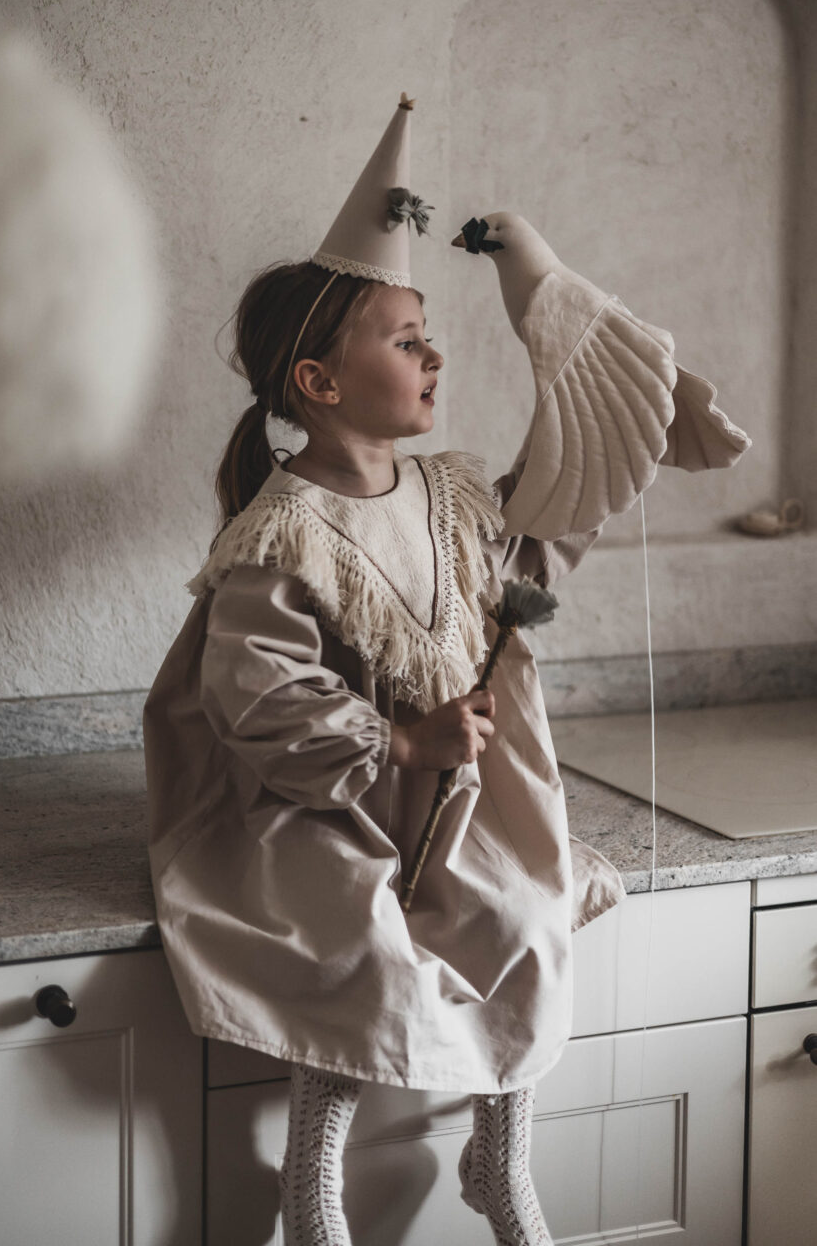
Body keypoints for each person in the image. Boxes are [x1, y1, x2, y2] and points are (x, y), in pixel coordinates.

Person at [144, 97, 750, 1246]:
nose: (434, 353)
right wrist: (398, 740)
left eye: (428, 332)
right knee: (354, 938)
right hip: (325, 802)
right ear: (320, 381)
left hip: (452, 799)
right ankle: (310, 1174)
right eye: (404, 338)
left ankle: (498, 1154)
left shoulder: (454, 491)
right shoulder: (283, 529)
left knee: (523, 911)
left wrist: (593, 381)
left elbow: (533, 537)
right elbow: (253, 691)